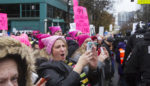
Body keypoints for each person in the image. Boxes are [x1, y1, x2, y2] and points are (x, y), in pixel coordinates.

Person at [37, 35, 109, 86]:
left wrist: (93, 69)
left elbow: (91, 82)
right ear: (50, 51)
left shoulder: (71, 62)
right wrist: (79, 65)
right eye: (58, 47)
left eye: (64, 46)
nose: (62, 49)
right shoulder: (47, 68)